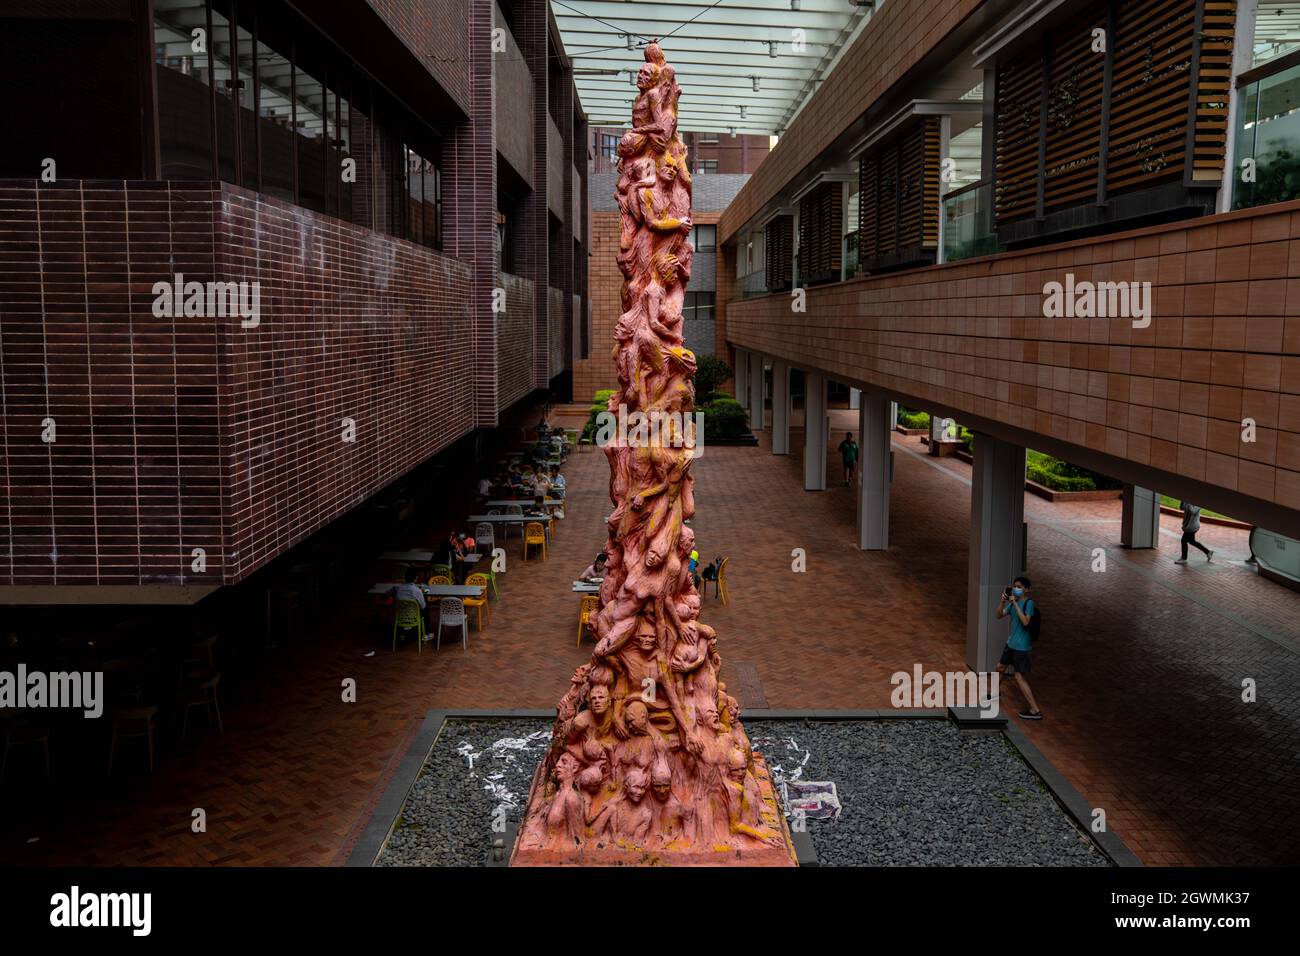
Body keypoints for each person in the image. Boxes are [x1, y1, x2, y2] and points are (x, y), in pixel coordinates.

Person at [995, 576, 1042, 720]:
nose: (1016, 588)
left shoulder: (1029, 603)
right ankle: (995, 693)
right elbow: (999, 615)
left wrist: (1015, 604)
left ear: (1026, 589)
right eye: (1015, 586)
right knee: (1000, 667)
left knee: (1018, 676)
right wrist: (1002, 602)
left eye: (1019, 586)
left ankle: (1035, 710)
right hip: (1011, 644)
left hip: (1022, 647)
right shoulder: (1012, 603)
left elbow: (1026, 622)